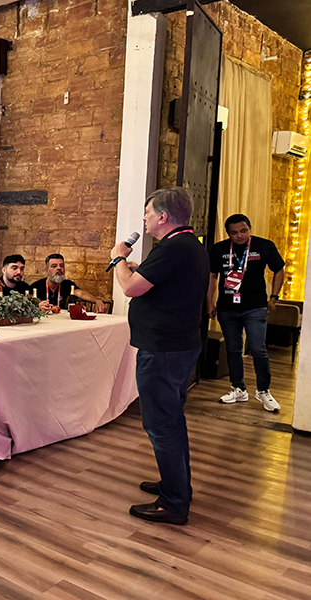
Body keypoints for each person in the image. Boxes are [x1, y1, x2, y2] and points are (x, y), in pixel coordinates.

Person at [111, 187, 209, 525]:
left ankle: (173, 502)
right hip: (179, 346)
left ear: (163, 217)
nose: (144, 218)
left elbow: (130, 288)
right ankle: (176, 485)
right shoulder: (188, 245)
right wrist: (138, 269)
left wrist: (119, 259)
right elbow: (159, 283)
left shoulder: (172, 247)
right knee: (172, 420)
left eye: (148, 213)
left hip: (164, 350)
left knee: (161, 425)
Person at [208, 214, 285, 412]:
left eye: (243, 231)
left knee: (258, 349)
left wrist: (274, 297)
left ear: (249, 228)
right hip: (227, 307)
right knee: (233, 349)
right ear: (228, 233)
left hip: (255, 307)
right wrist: (209, 302)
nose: (239, 236)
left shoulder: (264, 246)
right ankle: (238, 388)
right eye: (234, 233)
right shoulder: (219, 249)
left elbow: (279, 269)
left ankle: (264, 391)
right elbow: (212, 276)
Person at [32, 254, 107, 312]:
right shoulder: (36, 286)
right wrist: (37, 307)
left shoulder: (67, 284)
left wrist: (96, 300)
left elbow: (81, 293)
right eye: (54, 266)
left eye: (62, 266)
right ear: (47, 270)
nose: (59, 268)